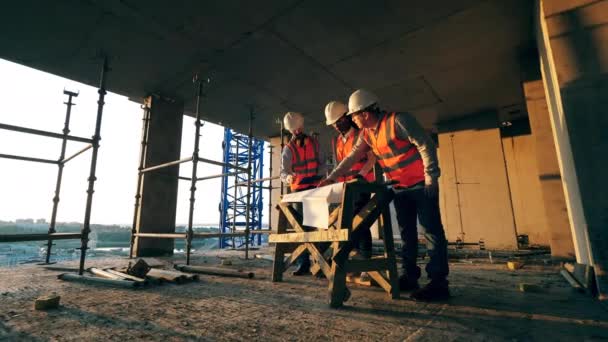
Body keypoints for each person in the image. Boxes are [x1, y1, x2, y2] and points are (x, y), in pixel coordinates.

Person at [319, 89, 449, 301]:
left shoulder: (398, 121)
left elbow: (425, 144)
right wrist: (332, 177)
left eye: (353, 115)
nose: (352, 119)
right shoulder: (368, 134)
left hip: (421, 186)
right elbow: (352, 157)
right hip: (399, 189)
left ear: (365, 113)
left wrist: (431, 177)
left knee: (432, 232)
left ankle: (439, 283)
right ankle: (410, 276)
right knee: (408, 235)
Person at [324, 101, 376, 266]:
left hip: (361, 185)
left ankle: (362, 259)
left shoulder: (362, 133)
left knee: (358, 220)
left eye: (339, 121)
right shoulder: (337, 141)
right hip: (345, 187)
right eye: (334, 124)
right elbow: (340, 164)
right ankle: (356, 259)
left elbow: (372, 158)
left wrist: (361, 175)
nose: (337, 126)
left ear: (347, 117)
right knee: (351, 221)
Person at [280, 111, 325, 275]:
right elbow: (283, 173)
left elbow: (322, 164)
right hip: (298, 192)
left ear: (302, 126)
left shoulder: (315, 143)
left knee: (318, 226)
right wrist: (289, 178)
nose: (297, 132)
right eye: (294, 130)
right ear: (290, 131)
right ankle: (303, 263)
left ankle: (319, 264)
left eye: (298, 128)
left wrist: (319, 175)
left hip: (315, 189)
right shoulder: (288, 149)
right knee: (302, 229)